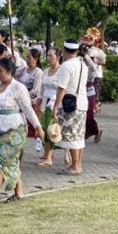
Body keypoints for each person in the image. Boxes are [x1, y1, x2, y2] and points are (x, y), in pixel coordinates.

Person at [0, 58, 45, 210]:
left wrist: (38, 127)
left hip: (14, 129)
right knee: (10, 160)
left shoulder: (18, 88)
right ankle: (19, 192)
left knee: (1, 160)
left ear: (9, 71)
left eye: (0, 71)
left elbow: (28, 109)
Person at [51, 39, 88, 175]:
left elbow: (62, 88)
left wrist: (55, 107)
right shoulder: (83, 65)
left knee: (71, 136)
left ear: (64, 50)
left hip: (70, 103)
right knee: (79, 135)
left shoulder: (66, 66)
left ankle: (75, 166)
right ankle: (77, 164)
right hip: (82, 102)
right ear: (77, 51)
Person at [37, 47, 62, 167]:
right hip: (45, 102)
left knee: (53, 130)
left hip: (55, 102)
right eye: (47, 55)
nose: (48, 58)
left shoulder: (62, 71)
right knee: (45, 129)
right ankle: (47, 155)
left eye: (51, 55)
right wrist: (38, 101)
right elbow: (41, 89)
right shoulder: (46, 71)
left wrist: (57, 105)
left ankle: (64, 155)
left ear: (58, 57)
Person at [15, 48, 43, 138]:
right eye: (26, 57)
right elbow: (12, 73)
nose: (27, 59)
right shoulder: (23, 69)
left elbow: (35, 90)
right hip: (19, 99)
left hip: (30, 101)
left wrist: (23, 95)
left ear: (36, 59)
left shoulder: (38, 72)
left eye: (29, 57)